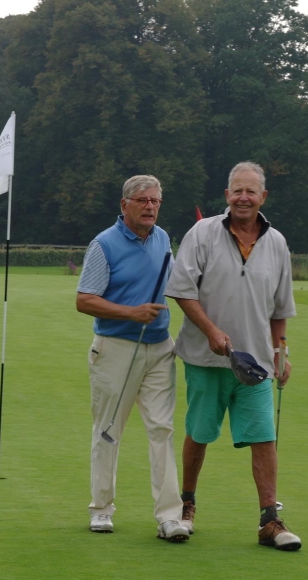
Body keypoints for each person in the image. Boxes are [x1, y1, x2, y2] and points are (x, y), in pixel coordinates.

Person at [165, 161, 302, 551]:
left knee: (264, 437)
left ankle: (269, 521)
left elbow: (280, 308)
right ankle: (186, 506)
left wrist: (281, 352)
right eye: (237, 191)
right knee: (199, 433)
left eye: (251, 191)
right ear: (227, 195)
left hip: (255, 364)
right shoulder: (203, 233)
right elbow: (182, 290)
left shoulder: (277, 243)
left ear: (263, 197)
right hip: (206, 359)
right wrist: (210, 331)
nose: (244, 198)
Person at [76, 175, 190, 543]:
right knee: (108, 429)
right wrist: (131, 312)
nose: (150, 206)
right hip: (115, 348)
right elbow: (84, 300)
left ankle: (170, 517)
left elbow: (178, 284)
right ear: (124, 205)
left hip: (159, 348)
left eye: (155, 201)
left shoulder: (163, 240)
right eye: (142, 200)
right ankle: (101, 508)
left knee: (162, 429)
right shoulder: (104, 245)